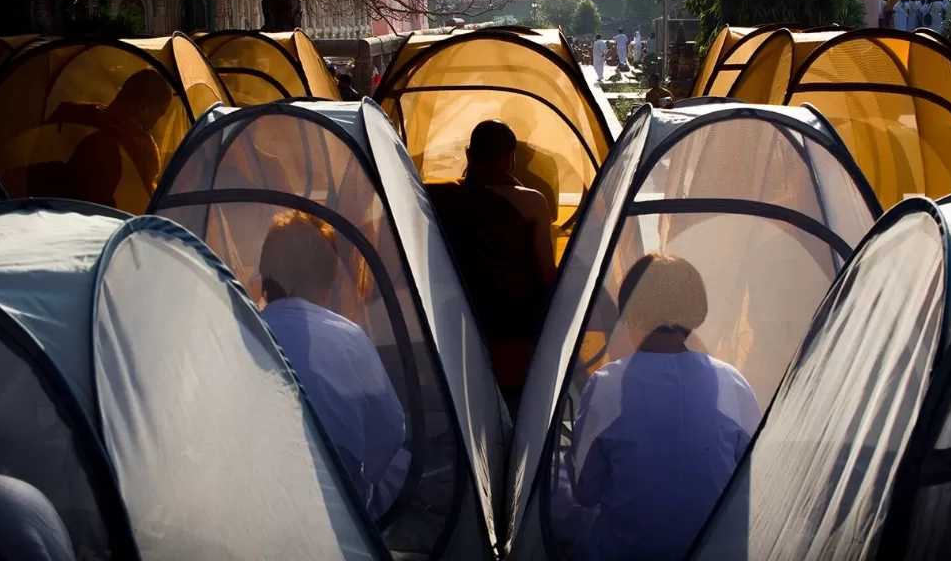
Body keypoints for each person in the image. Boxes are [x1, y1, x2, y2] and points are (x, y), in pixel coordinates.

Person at [567, 254, 761, 561]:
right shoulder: (731, 382)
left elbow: (584, 491)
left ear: (630, 313)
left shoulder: (606, 385)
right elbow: (755, 479)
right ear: (696, 314)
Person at [258, 209, 408, 520]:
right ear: (328, 278)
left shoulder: (241, 330)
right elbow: (391, 430)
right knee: (399, 465)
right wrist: (371, 473)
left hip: (260, 496)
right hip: (337, 509)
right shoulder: (349, 337)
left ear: (265, 273)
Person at [428, 121, 555, 415]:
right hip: (516, 329)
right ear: (511, 159)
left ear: (468, 155)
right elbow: (547, 273)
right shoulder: (532, 201)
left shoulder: (434, 196)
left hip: (454, 326)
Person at [21, 69, 174, 209]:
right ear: (144, 107)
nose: (156, 123)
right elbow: (142, 205)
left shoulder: (76, 114)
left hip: (30, 201)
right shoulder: (133, 148)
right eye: (159, 114)